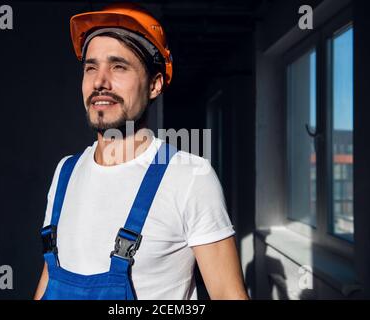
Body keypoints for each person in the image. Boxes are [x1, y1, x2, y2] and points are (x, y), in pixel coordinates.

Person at [34, 3, 248, 300]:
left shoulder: (189, 178)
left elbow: (228, 294)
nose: (100, 82)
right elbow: (49, 276)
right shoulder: (66, 172)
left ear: (155, 85)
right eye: (91, 67)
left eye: (118, 66)